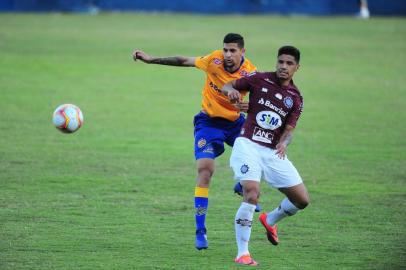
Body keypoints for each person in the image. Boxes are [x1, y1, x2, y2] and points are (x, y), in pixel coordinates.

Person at [132, 33, 257, 250]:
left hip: (236, 124)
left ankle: (240, 185)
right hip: (208, 123)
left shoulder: (251, 73)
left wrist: (252, 106)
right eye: (225, 49)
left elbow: (263, 99)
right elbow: (184, 61)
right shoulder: (213, 60)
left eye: (233, 50)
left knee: (256, 161)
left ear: (242, 52)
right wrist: (151, 59)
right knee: (205, 170)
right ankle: (200, 230)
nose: (227, 54)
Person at [222, 45, 310, 266]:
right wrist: (230, 91)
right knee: (251, 193)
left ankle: (270, 219)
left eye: (289, 63)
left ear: (297, 68)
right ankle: (243, 253)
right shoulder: (259, 79)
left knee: (301, 200)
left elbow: (289, 132)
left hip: (272, 152)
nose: (283, 66)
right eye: (281, 62)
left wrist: (283, 143)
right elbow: (228, 84)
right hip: (248, 144)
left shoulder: (295, 98)